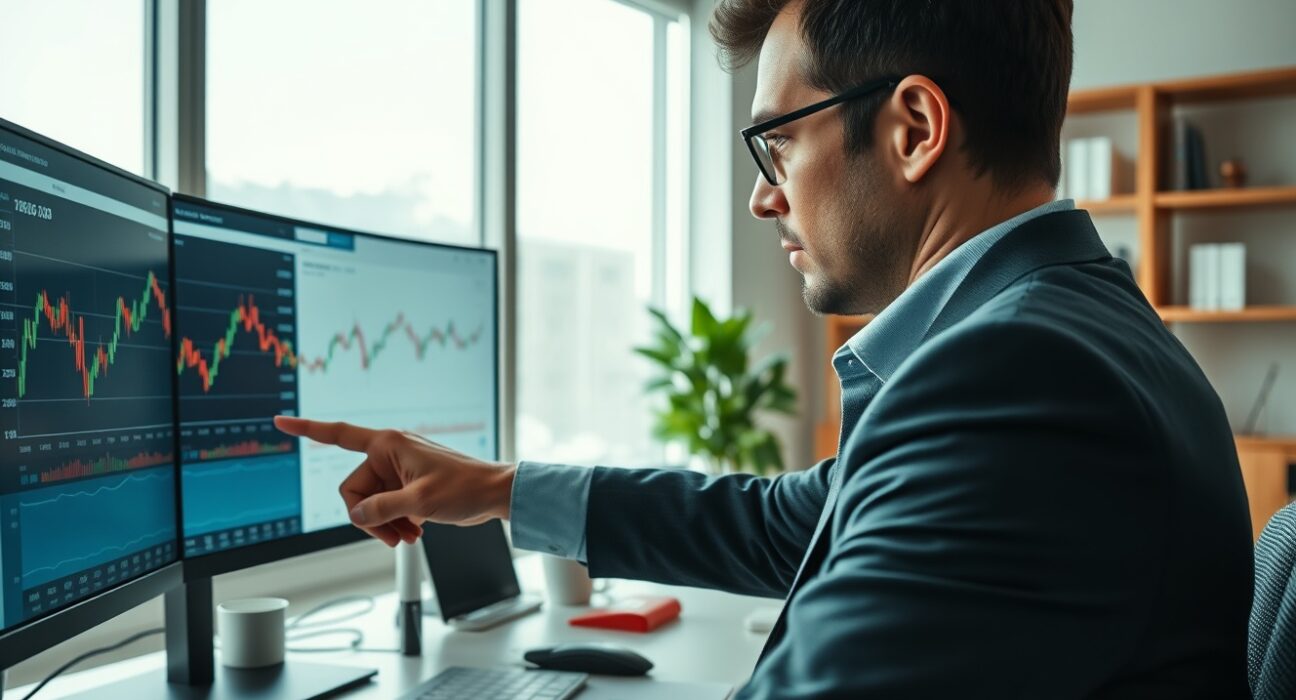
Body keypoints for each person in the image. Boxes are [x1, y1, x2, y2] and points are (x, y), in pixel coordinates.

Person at [276, 1, 1255, 696]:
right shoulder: (1066, 330)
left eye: (777, 143)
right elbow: (795, 523)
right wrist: (494, 488)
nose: (763, 196)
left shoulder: (1019, 381)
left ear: (913, 128)